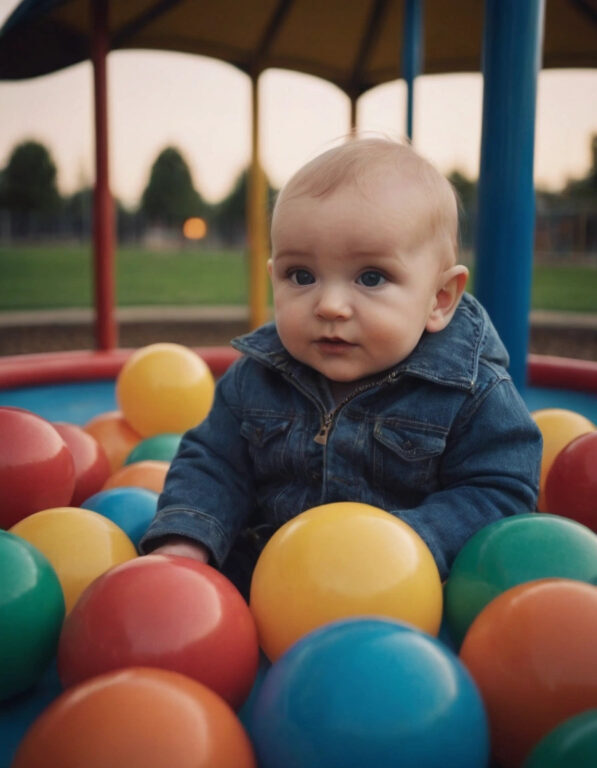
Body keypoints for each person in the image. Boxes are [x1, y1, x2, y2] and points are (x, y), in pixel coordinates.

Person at [139, 137, 542, 598]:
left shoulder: (471, 391)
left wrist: (401, 544)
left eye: (371, 277)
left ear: (440, 298)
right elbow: (213, 463)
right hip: (273, 581)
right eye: (301, 276)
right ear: (274, 278)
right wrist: (186, 539)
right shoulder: (255, 378)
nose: (329, 305)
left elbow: (500, 491)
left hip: (402, 592)